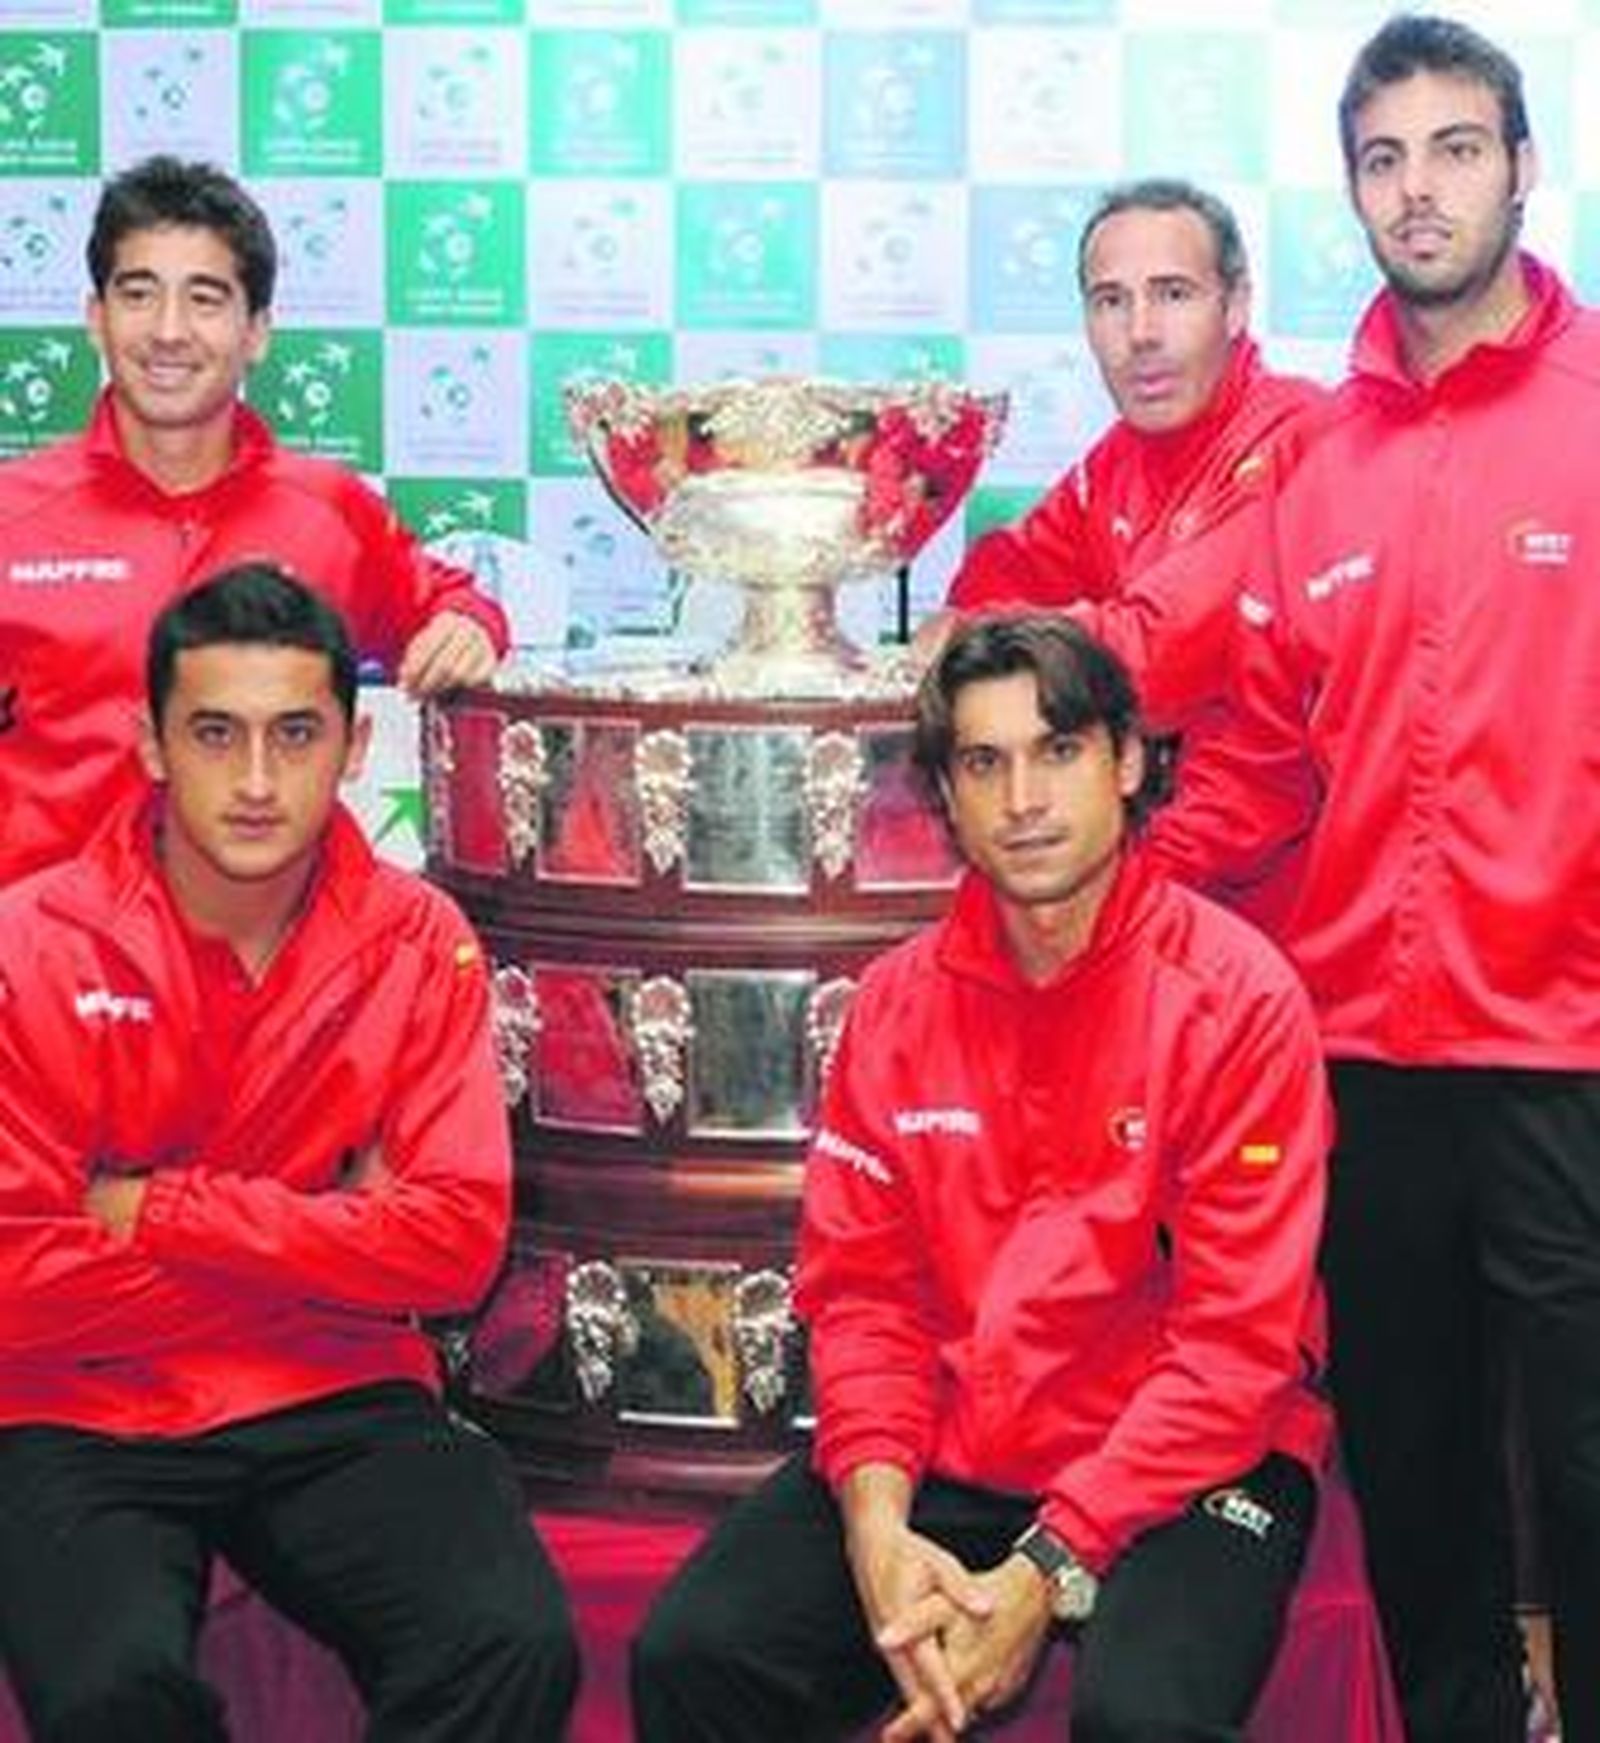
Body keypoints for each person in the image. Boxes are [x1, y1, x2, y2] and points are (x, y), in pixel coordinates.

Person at [632, 614, 1332, 1742]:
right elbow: (863, 1299)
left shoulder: (1237, 999)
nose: (1024, 799)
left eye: (1057, 750)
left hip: (1188, 1462)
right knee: (697, 1655)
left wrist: (1049, 1564)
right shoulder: (898, 1006)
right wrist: (875, 1525)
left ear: (1129, 760)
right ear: (944, 797)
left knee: (1143, 1720)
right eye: (983, 762)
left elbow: (1233, 1354)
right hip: (966, 1439)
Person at [1149, 16, 1600, 1742]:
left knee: (1583, 1455)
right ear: (1353, 188)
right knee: (1413, 1458)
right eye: (1386, 158)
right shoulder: (1317, 464)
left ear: (1523, 167)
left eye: (1457, 149)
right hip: (1364, 1060)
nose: (1421, 190)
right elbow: (1261, 758)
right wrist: (1120, 904)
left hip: (1570, 1048)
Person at [0, 565, 579, 1742]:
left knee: (507, 1644)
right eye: (216, 734)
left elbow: (452, 1251)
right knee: (113, 1689)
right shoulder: (30, 944)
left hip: (336, 1388)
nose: (258, 782)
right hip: (74, 1409)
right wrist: (326, 1231)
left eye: (295, 735)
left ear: (357, 746)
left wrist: (151, 1208)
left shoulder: (418, 940)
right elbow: (14, 1288)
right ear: (150, 745)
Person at [0, 154, 507, 889]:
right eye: (138, 294)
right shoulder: (14, 516)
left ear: (258, 331)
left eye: (205, 298)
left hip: (268, 982)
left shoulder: (329, 512)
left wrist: (468, 623)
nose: (168, 331)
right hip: (48, 980)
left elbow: (453, 602)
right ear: (96, 319)